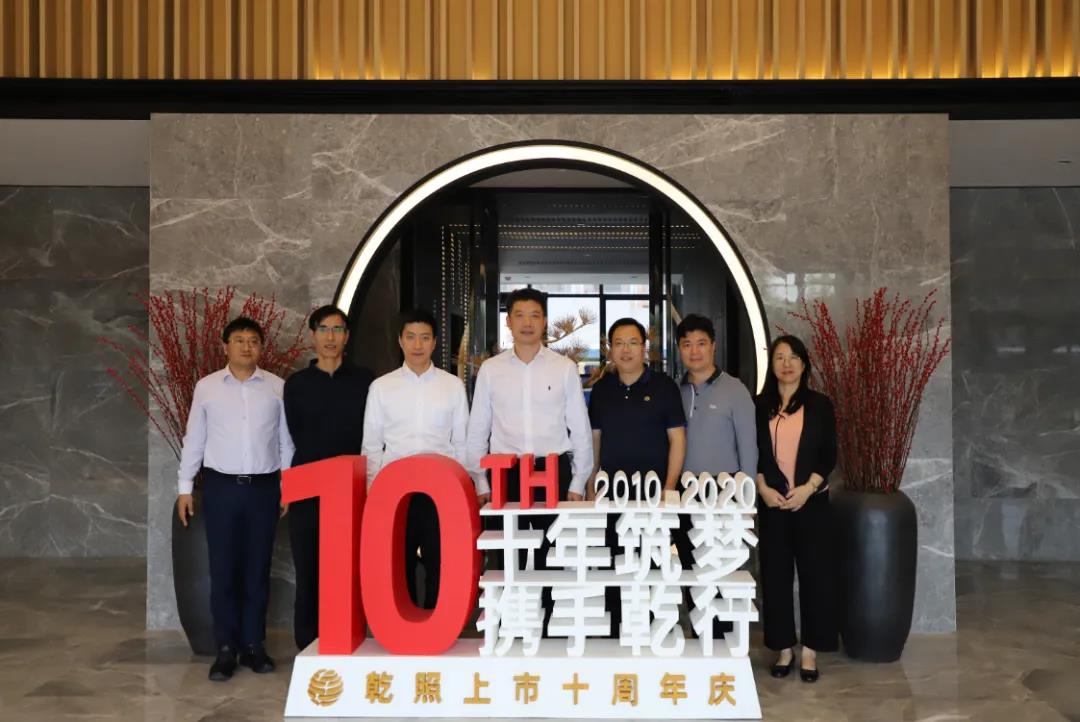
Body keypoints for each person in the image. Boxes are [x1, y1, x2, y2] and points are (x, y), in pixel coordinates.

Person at [466, 287, 593, 629]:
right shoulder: (491, 370)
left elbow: (579, 426)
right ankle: (512, 628)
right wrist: (480, 481)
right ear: (508, 322)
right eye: (519, 315)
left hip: (552, 473)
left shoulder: (563, 368)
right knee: (508, 554)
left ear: (545, 321)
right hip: (506, 474)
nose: (527, 323)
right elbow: (478, 426)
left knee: (553, 551)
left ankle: (550, 627)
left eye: (534, 315)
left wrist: (578, 481)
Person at [176, 317, 295, 682]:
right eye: (239, 340)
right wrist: (184, 487)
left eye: (253, 340)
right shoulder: (207, 387)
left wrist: (289, 485)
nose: (246, 346)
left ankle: (254, 645)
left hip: (263, 489)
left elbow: (286, 442)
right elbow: (194, 439)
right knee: (224, 569)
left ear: (261, 347)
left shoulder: (277, 387)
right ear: (225, 345)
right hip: (221, 488)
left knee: (257, 570)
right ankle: (226, 648)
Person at [362, 309, 469, 609]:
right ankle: (403, 622)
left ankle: (437, 621)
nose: (417, 345)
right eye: (411, 337)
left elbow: (461, 442)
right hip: (394, 491)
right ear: (400, 341)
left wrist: (464, 487)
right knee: (399, 561)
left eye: (424, 337)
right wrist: (372, 489)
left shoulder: (452, 386)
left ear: (434, 342)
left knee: (440, 559)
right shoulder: (382, 387)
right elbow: (372, 445)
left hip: (441, 489)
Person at [587, 317, 686, 637]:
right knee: (614, 563)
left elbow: (678, 440)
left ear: (644, 347)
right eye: (618, 343)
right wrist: (591, 483)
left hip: (653, 497)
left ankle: (652, 633)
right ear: (610, 349)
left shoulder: (664, 387)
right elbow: (595, 441)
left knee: (652, 565)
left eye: (632, 342)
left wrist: (669, 487)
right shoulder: (601, 390)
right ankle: (617, 633)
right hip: (612, 497)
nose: (626, 350)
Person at [283, 305, 373, 651]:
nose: (330, 337)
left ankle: (347, 640)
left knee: (348, 569)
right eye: (324, 329)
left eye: (337, 330)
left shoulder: (366, 381)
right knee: (309, 569)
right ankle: (308, 645)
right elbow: (293, 435)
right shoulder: (296, 385)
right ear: (313, 336)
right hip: (308, 487)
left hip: (352, 489)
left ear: (347, 337)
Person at [755, 334, 838, 683]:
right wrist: (762, 488)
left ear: (804, 364)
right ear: (772, 365)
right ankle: (784, 648)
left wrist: (808, 488)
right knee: (775, 577)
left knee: (816, 576)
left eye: (793, 357)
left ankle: (810, 650)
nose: (786, 363)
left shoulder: (820, 405)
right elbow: (752, 451)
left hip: (811, 502)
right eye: (779, 357)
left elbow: (829, 453)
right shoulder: (759, 405)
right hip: (773, 503)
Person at [675, 313, 757, 638]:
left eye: (701, 343)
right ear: (679, 349)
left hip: (725, 496)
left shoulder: (735, 390)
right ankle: (701, 640)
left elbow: (748, 446)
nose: (694, 351)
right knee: (691, 568)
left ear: (713, 346)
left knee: (722, 570)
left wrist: (748, 501)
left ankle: (723, 642)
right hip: (685, 495)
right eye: (687, 344)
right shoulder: (675, 390)